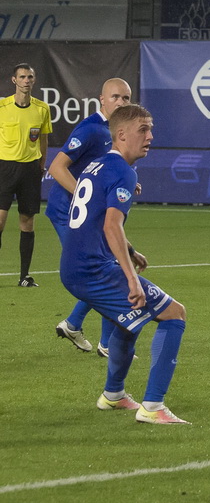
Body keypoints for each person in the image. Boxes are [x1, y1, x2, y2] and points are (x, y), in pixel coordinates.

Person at [60, 104, 189, 424]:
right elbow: (110, 225)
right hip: (93, 268)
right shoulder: (122, 171)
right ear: (121, 135)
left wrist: (129, 250)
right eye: (143, 130)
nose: (150, 136)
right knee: (174, 314)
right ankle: (153, 406)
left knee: (126, 322)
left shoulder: (97, 166)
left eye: (151, 128)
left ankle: (113, 395)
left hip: (76, 266)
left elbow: (98, 217)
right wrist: (132, 279)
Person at [48, 78, 133, 355]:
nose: (121, 102)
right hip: (68, 213)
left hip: (86, 214)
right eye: (116, 97)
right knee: (104, 270)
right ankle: (107, 344)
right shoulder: (91, 130)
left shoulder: (113, 131)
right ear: (102, 100)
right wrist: (84, 195)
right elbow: (58, 167)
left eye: (126, 98)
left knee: (105, 267)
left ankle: (75, 325)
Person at [0, 64, 52, 288]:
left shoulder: (42, 108)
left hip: (30, 170)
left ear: (34, 79)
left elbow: (43, 139)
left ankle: (24, 276)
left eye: (30, 76)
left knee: (27, 222)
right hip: (5, 168)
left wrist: (41, 164)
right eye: (22, 76)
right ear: (14, 80)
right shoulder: (2, 106)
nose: (26, 80)